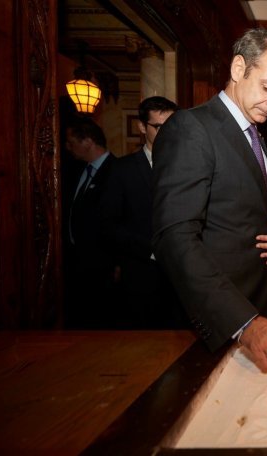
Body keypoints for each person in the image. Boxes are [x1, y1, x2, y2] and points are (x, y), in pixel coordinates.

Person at [152, 28, 267, 374]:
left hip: (255, 313)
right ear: (238, 69)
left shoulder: (255, 135)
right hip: (217, 324)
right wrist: (244, 323)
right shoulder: (191, 128)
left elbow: (240, 209)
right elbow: (174, 238)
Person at [99, 96, 185, 328]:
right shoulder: (121, 169)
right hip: (140, 278)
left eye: (172, 126)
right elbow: (108, 226)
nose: (167, 133)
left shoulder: (190, 166)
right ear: (142, 127)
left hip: (182, 279)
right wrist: (151, 250)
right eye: (159, 127)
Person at [63, 116, 118, 328]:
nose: (67, 147)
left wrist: (117, 263)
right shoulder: (75, 171)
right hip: (77, 264)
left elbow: (120, 220)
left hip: (103, 266)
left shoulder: (117, 171)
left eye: (71, 142)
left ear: (87, 141)